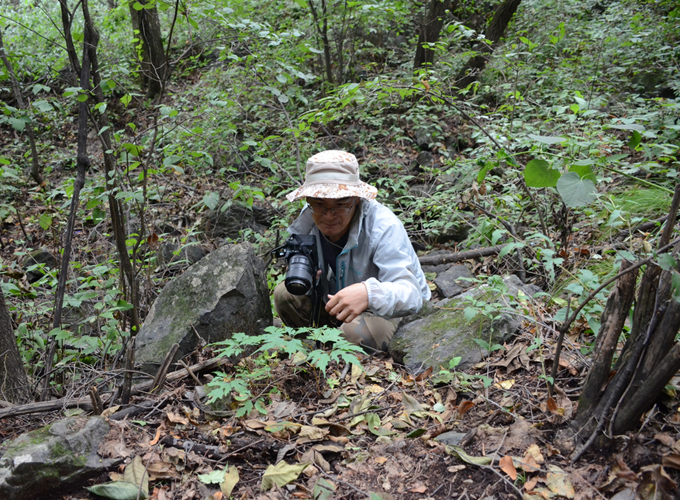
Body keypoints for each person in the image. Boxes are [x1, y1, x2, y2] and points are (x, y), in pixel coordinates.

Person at [274, 150, 430, 351]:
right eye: (320, 204)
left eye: (340, 204)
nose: (329, 216)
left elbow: (411, 294)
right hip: (337, 301)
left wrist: (368, 294)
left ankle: (343, 351)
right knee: (284, 295)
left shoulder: (383, 226)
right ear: (309, 200)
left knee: (351, 334)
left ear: (356, 199)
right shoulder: (309, 219)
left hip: (390, 311)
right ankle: (315, 351)